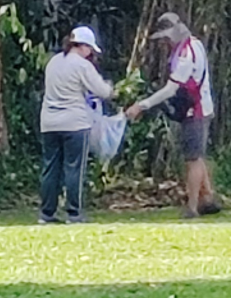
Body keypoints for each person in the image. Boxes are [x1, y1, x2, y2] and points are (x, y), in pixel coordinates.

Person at [125, 12, 221, 219]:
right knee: (197, 155)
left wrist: (141, 106)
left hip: (195, 110)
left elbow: (170, 89)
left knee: (192, 159)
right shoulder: (193, 45)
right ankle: (208, 198)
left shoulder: (186, 55)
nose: (165, 42)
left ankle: (193, 206)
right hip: (198, 107)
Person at [39, 25, 114, 224]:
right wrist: (111, 88)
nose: (90, 54)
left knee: (51, 168)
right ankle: (74, 213)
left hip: (49, 123)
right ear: (84, 46)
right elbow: (102, 91)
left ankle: (47, 213)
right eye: (90, 49)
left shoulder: (53, 62)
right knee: (73, 168)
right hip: (75, 123)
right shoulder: (82, 65)